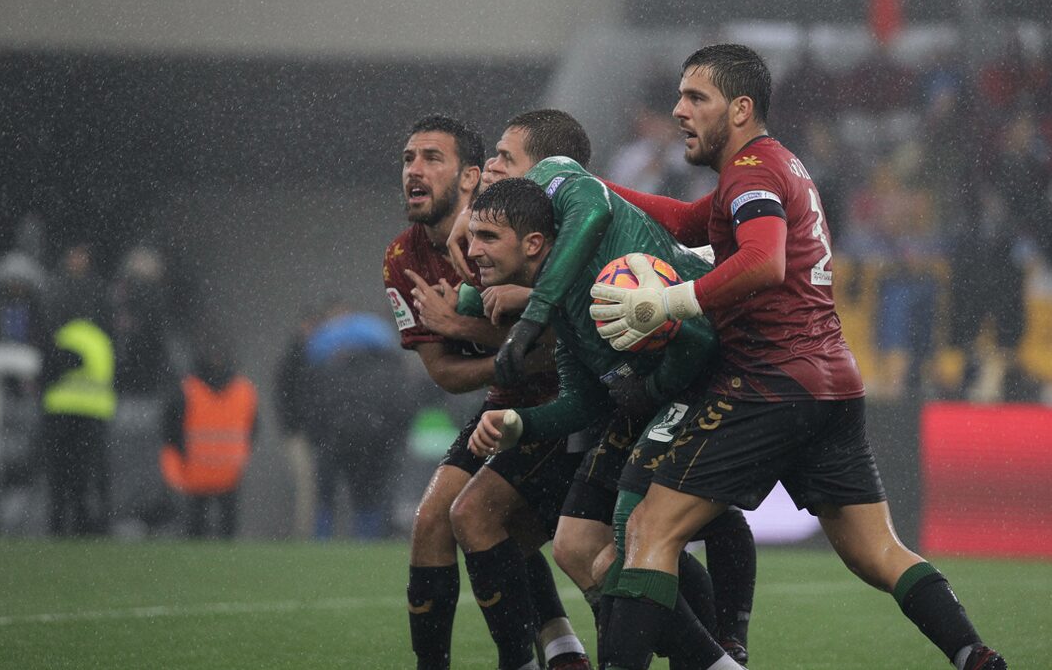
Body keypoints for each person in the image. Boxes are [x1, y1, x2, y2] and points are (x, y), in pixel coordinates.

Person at [588, 43, 1006, 670]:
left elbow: (764, 261)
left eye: (695, 97)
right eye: (679, 97)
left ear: (740, 108)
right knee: (877, 553)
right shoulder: (772, 163)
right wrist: (594, 189)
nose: (679, 111)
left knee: (650, 529)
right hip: (829, 384)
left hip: (769, 381)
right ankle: (977, 657)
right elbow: (683, 221)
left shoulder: (751, 172)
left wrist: (671, 301)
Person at [450, 109, 759, 666]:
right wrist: (518, 424)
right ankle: (713, 657)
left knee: (634, 540)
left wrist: (649, 386)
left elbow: (697, 339)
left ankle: (717, 649)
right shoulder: (565, 299)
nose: (491, 166)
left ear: (537, 240)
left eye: (488, 238)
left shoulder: (594, 249)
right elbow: (586, 399)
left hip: (702, 387)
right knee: (576, 548)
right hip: (642, 403)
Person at [382, 115, 588, 670]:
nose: (414, 171)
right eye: (407, 159)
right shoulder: (402, 260)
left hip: (568, 398)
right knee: (434, 519)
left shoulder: (516, 224)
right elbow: (445, 373)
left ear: (471, 178)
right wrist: (491, 352)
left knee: (489, 520)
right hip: (505, 401)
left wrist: (467, 328)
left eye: (431, 158)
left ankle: (548, 652)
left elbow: (557, 340)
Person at [305, 305, 414, 539]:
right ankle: (365, 541)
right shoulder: (389, 369)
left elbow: (315, 409)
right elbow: (403, 408)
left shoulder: (329, 368)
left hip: (334, 441)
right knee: (368, 497)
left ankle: (321, 541)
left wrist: (319, 437)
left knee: (326, 495)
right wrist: (391, 435)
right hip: (375, 442)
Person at [39, 243, 116, 537]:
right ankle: (64, 525)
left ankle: (77, 525)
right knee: (65, 474)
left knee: (81, 475)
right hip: (65, 406)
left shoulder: (79, 295)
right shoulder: (66, 294)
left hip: (87, 407)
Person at [160, 339, 257, 539]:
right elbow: (253, 428)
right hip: (229, 469)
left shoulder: (188, 390)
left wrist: (180, 454)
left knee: (196, 526)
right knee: (227, 527)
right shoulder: (244, 390)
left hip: (196, 469)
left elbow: (170, 429)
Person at [273, 305, 320, 538]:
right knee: (305, 483)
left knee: (308, 483)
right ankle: (303, 533)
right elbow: (285, 396)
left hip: (306, 431)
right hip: (299, 431)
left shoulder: (309, 356)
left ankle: (306, 531)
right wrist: (292, 426)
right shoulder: (297, 357)